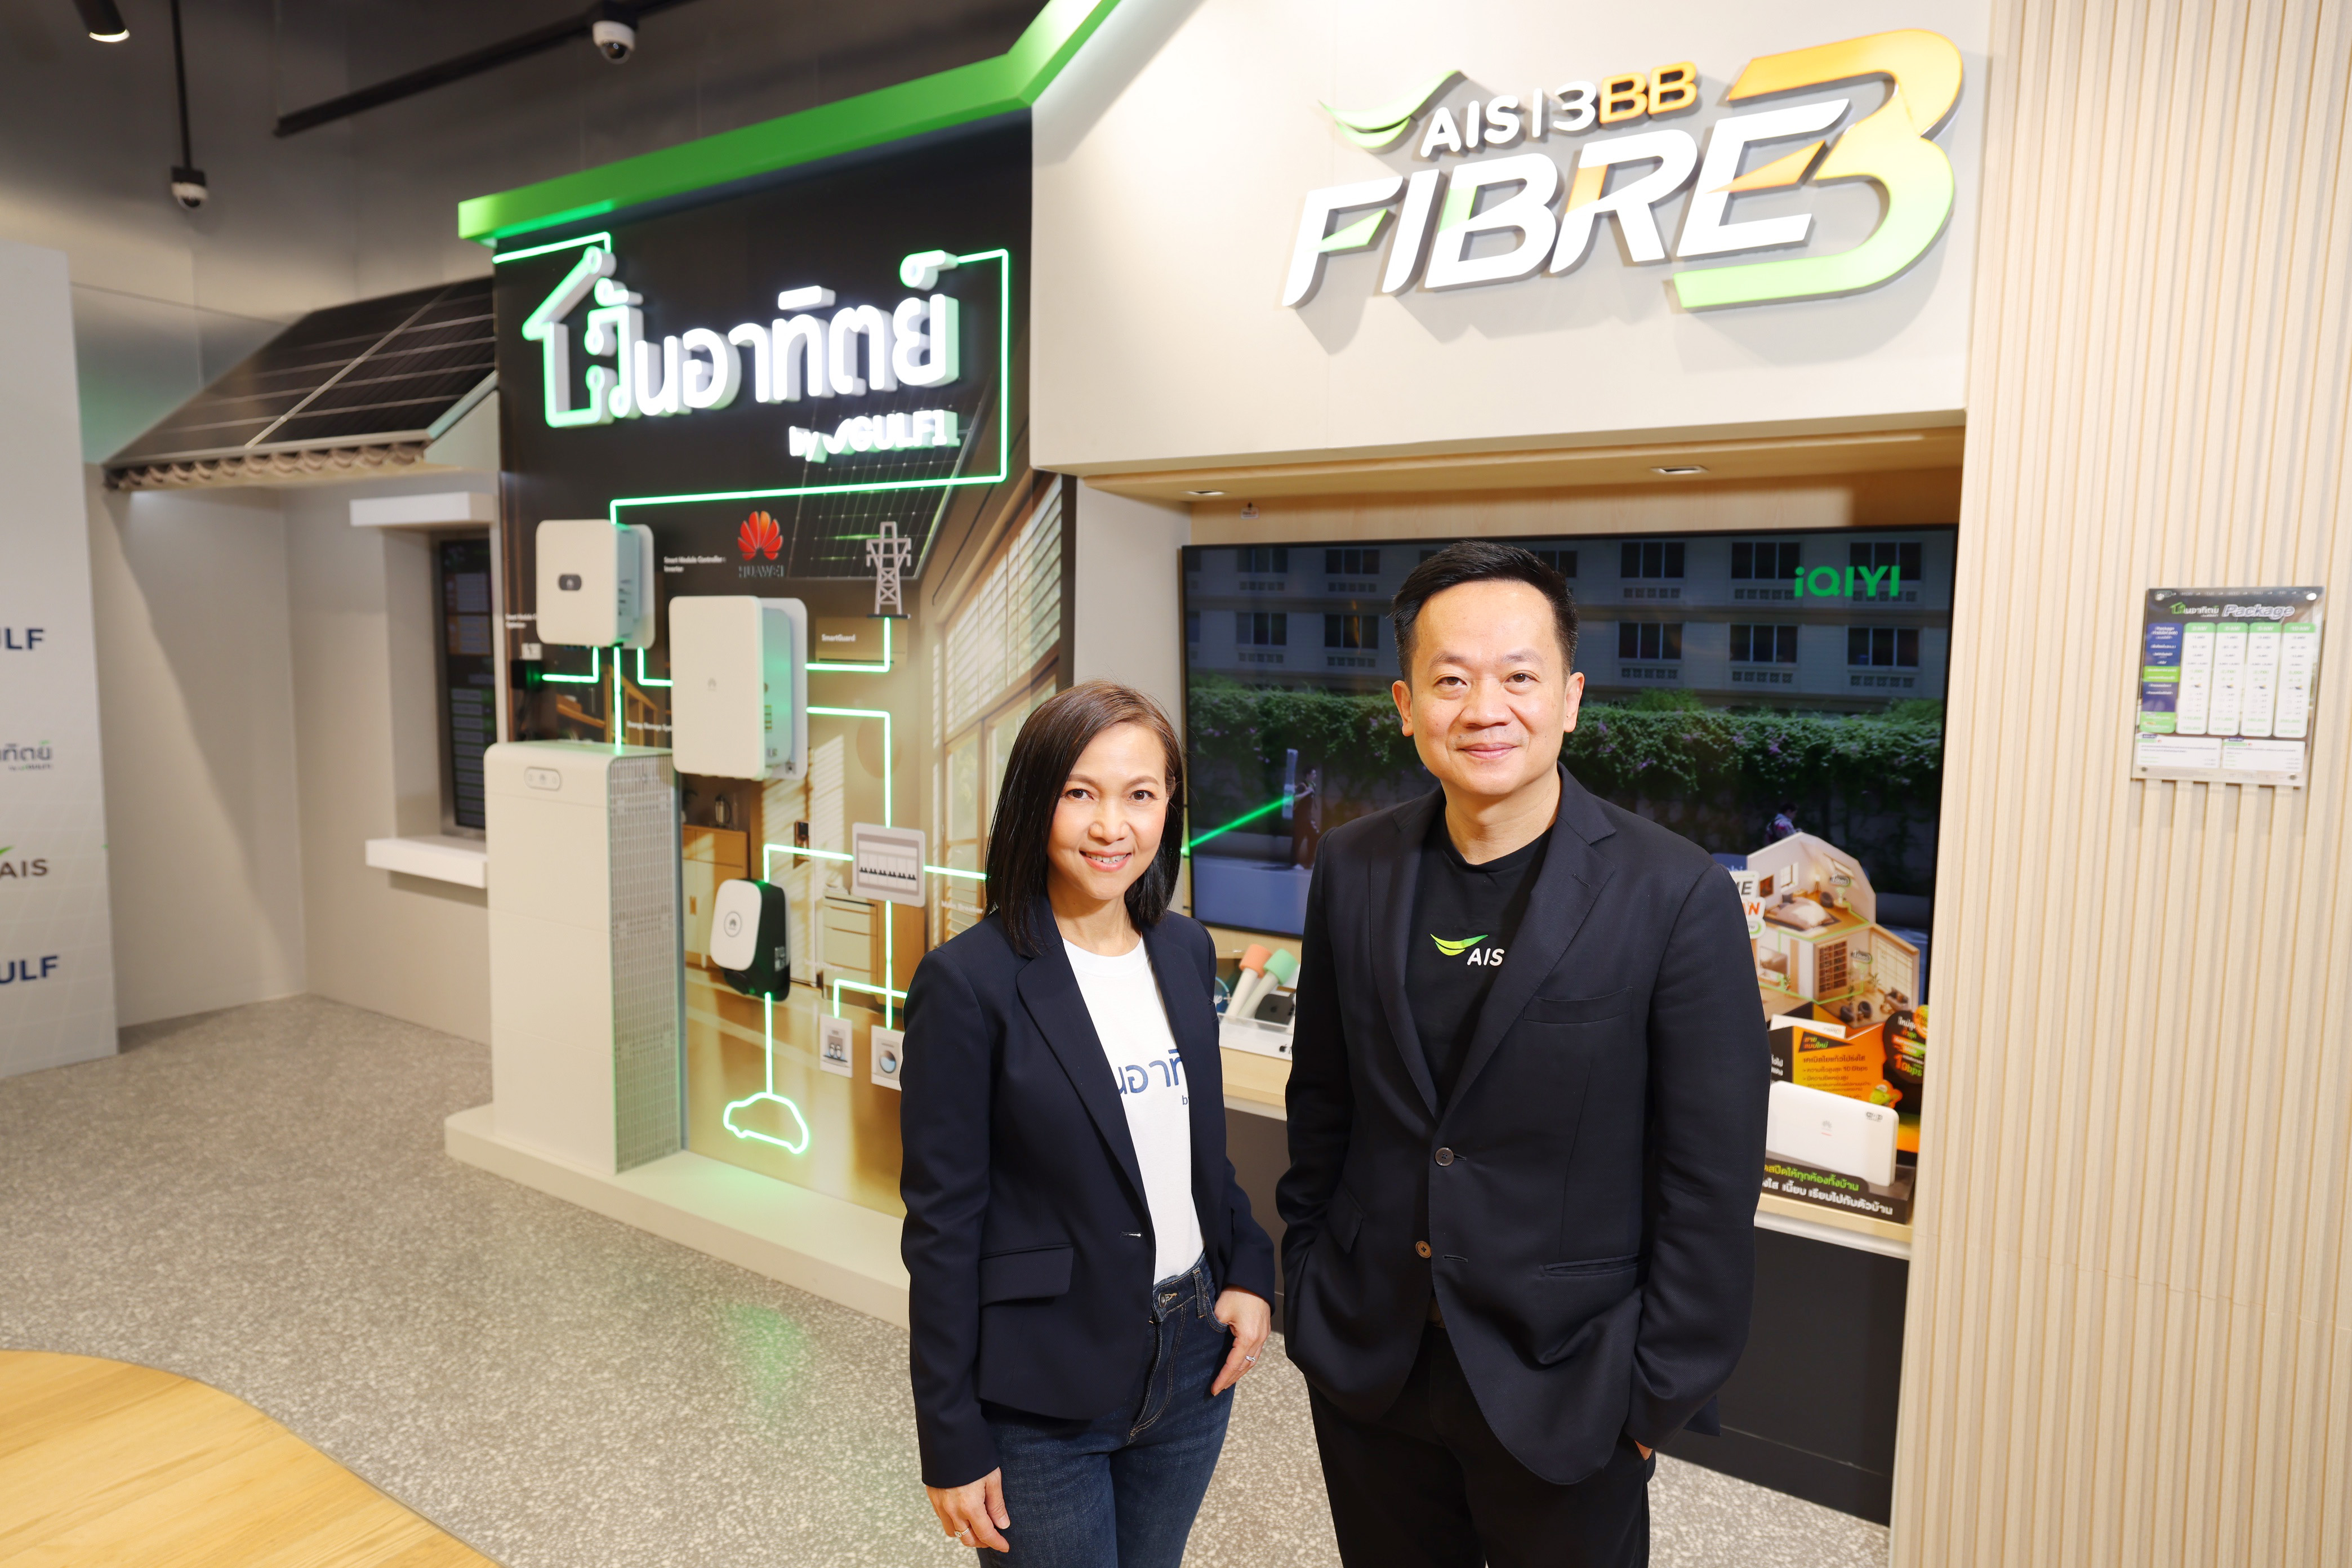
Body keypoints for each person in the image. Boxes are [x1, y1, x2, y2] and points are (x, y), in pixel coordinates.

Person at [1277, 542, 1769, 1567]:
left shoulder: (1673, 892)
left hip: (1573, 1382)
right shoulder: (1356, 866)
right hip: (1373, 1361)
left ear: (1571, 698)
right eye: (1452, 680)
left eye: (1518, 677)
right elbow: (1323, 1097)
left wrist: (1652, 1397)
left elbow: (1711, 1176)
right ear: (1406, 705)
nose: (1485, 709)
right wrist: (1311, 1281)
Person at [901, 680, 1276, 1565]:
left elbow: (1196, 1153)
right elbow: (944, 1228)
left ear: (1169, 808)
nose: (1113, 826)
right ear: (1036, 801)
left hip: (1191, 1362)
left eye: (1140, 795)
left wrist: (1250, 1272)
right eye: (1081, 793)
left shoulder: (1184, 951)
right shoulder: (969, 983)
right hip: (1042, 1390)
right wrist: (949, 1434)